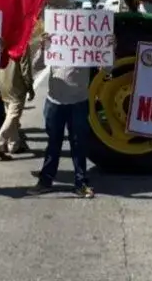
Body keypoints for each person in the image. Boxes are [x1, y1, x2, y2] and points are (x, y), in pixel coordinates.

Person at [29, 31, 111, 198]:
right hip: (54, 102)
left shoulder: (87, 47)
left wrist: (109, 48)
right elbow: (37, 66)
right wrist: (44, 48)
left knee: (79, 145)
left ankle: (81, 183)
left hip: (79, 103)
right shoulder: (54, 46)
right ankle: (46, 181)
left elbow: (108, 68)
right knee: (53, 144)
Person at [0, 48, 34, 159]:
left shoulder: (0, 41)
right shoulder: (22, 44)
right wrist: (29, 86)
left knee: (10, 115)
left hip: (2, 83)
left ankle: (13, 145)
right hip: (16, 84)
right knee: (13, 116)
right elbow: (26, 68)